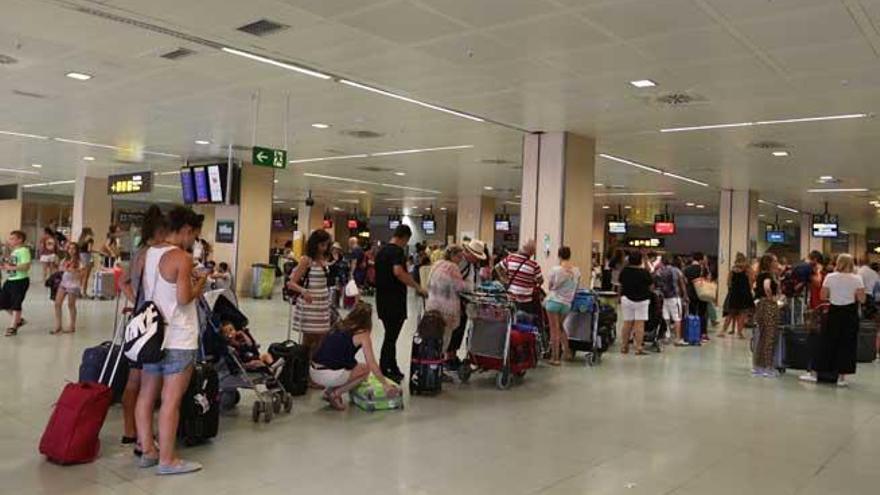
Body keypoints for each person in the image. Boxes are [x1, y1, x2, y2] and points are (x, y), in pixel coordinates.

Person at [134, 206, 206, 475]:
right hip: (178, 336)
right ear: (186, 230)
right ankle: (167, 459)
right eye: (194, 236)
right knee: (171, 400)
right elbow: (184, 298)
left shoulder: (150, 253)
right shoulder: (182, 257)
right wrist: (200, 283)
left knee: (146, 394)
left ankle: (148, 450)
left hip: (152, 336)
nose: (193, 242)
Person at [119, 205, 166, 457]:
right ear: (160, 232)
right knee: (149, 384)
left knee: (133, 380)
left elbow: (122, 281)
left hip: (138, 321)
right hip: (154, 324)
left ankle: (129, 430)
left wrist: (136, 304)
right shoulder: (156, 255)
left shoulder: (138, 253)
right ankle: (145, 436)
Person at [311, 302, 398, 410]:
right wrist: (385, 384)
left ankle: (328, 392)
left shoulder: (339, 324)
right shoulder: (363, 334)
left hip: (314, 372)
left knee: (347, 365)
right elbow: (372, 363)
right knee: (365, 370)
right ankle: (336, 393)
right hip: (328, 375)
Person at [800, 254, 865, 387]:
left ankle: (815, 373)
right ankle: (841, 377)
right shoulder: (857, 279)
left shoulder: (830, 277)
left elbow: (823, 296)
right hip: (850, 314)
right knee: (847, 345)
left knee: (826, 342)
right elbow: (862, 299)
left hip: (834, 312)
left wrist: (836, 293)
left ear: (838, 263)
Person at [374, 225, 427, 383]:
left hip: (382, 299)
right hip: (394, 300)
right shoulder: (397, 252)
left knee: (390, 335)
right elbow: (398, 272)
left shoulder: (381, 251)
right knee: (391, 336)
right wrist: (418, 287)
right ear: (404, 237)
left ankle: (392, 365)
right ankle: (385, 368)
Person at [288, 230, 333, 361]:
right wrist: (304, 291)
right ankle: (304, 367)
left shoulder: (324, 259)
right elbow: (291, 283)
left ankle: (312, 365)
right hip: (310, 305)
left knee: (322, 338)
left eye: (326, 245)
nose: (324, 248)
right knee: (309, 339)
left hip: (322, 305)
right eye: (322, 245)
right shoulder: (306, 260)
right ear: (315, 244)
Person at [445, 239, 488, 370]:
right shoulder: (462, 263)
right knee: (455, 330)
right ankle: (449, 358)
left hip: (463, 301)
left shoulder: (470, 264)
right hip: (456, 301)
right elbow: (455, 283)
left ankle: (452, 356)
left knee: (459, 330)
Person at [425, 245, 467, 361]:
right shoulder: (453, 267)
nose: (460, 260)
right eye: (459, 257)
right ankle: (438, 367)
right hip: (447, 310)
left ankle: (430, 365)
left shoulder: (437, 264)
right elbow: (460, 287)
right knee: (444, 341)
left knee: (432, 338)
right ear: (452, 256)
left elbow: (428, 282)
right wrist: (468, 286)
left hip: (432, 307)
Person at [544, 246, 581, 365]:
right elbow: (576, 288)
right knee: (560, 327)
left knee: (554, 330)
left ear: (559, 255)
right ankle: (567, 352)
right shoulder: (576, 271)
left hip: (554, 302)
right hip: (567, 304)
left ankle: (555, 358)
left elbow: (550, 287)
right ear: (569, 255)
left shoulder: (555, 270)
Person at [618, 251, 653, 355]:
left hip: (627, 299)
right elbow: (651, 285)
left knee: (627, 323)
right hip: (642, 300)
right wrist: (646, 260)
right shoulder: (644, 272)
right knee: (639, 324)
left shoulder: (625, 271)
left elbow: (620, 285)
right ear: (640, 261)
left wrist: (619, 297)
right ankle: (638, 347)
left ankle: (624, 346)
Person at [752, 253, 781, 378]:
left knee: (762, 336)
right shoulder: (769, 276)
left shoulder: (760, 275)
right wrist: (772, 299)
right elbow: (767, 287)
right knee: (770, 336)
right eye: (775, 260)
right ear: (770, 263)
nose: (777, 262)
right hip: (769, 306)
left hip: (760, 306)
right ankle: (768, 366)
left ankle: (758, 365)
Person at [499, 240, 544, 317]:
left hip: (510, 297)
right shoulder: (534, 265)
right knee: (524, 322)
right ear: (532, 252)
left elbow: (498, 269)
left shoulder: (510, 258)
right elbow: (540, 281)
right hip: (526, 301)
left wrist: (506, 280)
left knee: (510, 319)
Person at [1, 231, 31, 336]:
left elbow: (26, 266)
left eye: (12, 238)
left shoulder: (24, 251)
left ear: (20, 240)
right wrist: (6, 267)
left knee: (16, 304)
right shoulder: (14, 251)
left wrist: (11, 267)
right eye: (10, 238)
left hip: (20, 281)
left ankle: (13, 326)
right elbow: (13, 267)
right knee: (3, 302)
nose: (10, 241)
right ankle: (19, 320)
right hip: (11, 280)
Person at [654, 255, 689, 346]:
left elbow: (655, 282)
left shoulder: (660, 271)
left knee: (666, 317)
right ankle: (678, 338)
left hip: (665, 297)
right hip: (675, 297)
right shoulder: (676, 270)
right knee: (677, 318)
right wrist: (685, 295)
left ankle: (667, 335)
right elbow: (682, 283)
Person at [719, 253, 754, 339]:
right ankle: (739, 333)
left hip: (734, 293)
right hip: (744, 294)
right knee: (742, 314)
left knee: (730, 313)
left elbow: (728, 283)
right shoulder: (748, 270)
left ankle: (723, 331)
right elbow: (751, 282)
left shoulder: (732, 270)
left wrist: (732, 290)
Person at [52, 242, 83, 334]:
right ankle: (58, 325)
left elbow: (81, 275)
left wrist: (72, 270)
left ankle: (72, 325)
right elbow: (60, 269)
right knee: (57, 303)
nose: (71, 251)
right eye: (69, 248)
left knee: (71, 305)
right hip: (64, 283)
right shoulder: (65, 259)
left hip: (73, 285)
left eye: (73, 248)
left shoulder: (80, 261)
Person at [683, 252, 710, 341]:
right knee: (702, 313)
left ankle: (692, 332)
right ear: (701, 259)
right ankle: (703, 333)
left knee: (692, 312)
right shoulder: (703, 269)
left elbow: (685, 281)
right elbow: (708, 280)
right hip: (702, 293)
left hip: (691, 294)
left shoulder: (687, 269)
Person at [328, 242, 349, 308]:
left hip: (339, 274)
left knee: (339, 289)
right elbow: (327, 264)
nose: (336, 250)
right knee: (332, 289)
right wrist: (333, 262)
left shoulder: (341, 256)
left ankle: (337, 303)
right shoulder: (329, 255)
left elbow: (345, 264)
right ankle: (331, 303)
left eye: (337, 249)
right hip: (331, 273)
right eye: (335, 249)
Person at [77, 227, 95, 297]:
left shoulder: (81, 240)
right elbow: (89, 249)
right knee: (86, 276)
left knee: (81, 276)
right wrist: (97, 251)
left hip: (81, 256)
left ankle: (78, 291)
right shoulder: (90, 239)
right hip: (87, 257)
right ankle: (84, 292)